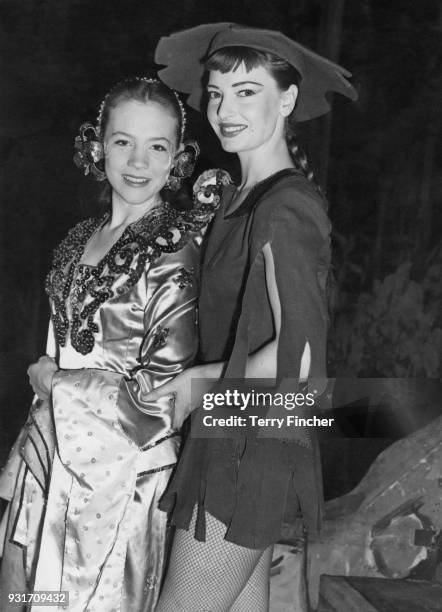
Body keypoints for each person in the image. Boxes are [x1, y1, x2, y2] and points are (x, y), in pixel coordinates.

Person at [148, 23, 358, 611]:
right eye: (216, 93)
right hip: (240, 434)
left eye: (247, 91)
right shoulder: (243, 199)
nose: (223, 109)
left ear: (286, 100)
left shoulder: (285, 207)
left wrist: (200, 382)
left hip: (245, 448)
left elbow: (304, 359)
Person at [0, 76, 216, 611]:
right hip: (49, 459)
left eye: (157, 147)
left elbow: (164, 393)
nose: (138, 161)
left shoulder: (173, 251)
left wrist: (56, 382)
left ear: (178, 160)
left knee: (79, 602)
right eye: (124, 142)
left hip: (117, 481)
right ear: (96, 147)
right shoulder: (80, 237)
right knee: (25, 593)